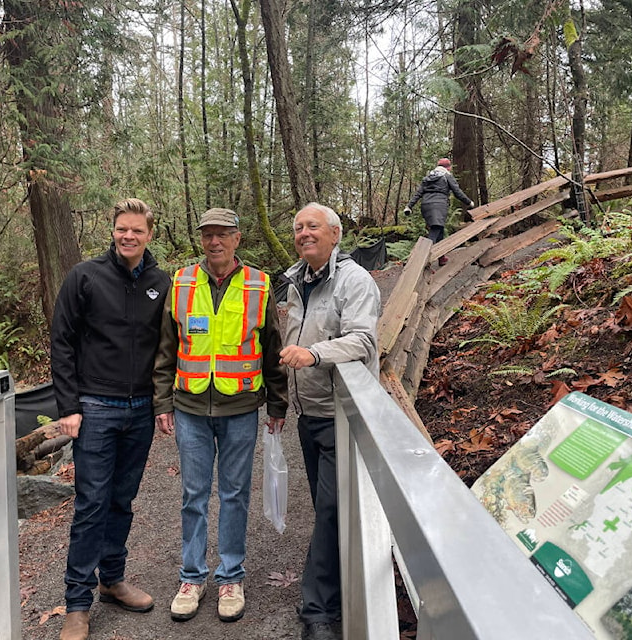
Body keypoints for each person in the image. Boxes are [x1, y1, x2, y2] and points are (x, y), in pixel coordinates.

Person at [153, 207, 288, 623]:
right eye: (208, 235)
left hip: (240, 408)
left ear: (237, 238)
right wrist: (162, 402)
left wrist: (278, 403)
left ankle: (231, 576)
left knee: (233, 494)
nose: (215, 242)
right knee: (193, 496)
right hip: (190, 406)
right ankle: (192, 577)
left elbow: (272, 347)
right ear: (202, 240)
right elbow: (165, 348)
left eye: (222, 235)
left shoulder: (258, 284)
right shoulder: (181, 281)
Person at [50, 198, 171, 640]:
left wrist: (162, 403)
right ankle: (77, 604)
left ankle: (112, 579)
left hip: (140, 409)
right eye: (122, 229)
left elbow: (167, 347)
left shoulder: (162, 282)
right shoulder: (85, 276)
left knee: (122, 499)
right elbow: (61, 343)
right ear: (113, 229)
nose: (128, 236)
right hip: (95, 408)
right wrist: (69, 408)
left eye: (137, 230)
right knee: (91, 504)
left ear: (149, 234)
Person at [279, 203, 380, 640]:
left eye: (313, 226)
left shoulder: (355, 281)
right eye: (299, 227)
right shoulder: (295, 280)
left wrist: (314, 353)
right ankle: (338, 589)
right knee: (329, 509)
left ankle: (317, 610)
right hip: (310, 415)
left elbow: (362, 339)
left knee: (332, 509)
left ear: (336, 234)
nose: (304, 233)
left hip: (341, 415)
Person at [404, 157, 474, 266]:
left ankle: (441, 257)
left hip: (426, 205)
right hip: (439, 205)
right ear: (448, 167)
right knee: (435, 230)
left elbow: (418, 193)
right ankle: (421, 260)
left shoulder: (428, 178)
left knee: (439, 229)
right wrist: (469, 202)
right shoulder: (447, 176)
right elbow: (457, 192)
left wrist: (409, 206)